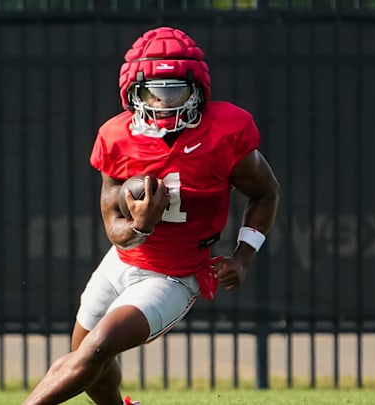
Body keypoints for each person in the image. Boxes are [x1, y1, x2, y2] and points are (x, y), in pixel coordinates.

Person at [21, 26, 281, 405]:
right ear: (133, 93)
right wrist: (141, 224)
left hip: (175, 275)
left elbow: (266, 191)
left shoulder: (225, 133)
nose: (166, 104)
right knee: (90, 361)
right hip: (122, 261)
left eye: (177, 91)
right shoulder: (116, 137)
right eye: (154, 93)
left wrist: (243, 256)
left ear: (198, 90)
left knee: (98, 346)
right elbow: (114, 227)